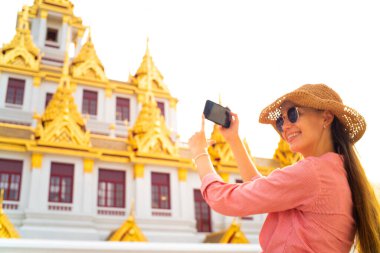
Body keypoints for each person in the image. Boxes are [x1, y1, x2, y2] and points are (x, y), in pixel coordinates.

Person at [188, 84, 380, 253]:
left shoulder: (312, 173)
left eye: (293, 114)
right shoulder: (338, 171)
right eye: (281, 121)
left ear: (326, 118)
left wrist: (200, 154)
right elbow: (260, 188)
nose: (286, 126)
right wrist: (234, 140)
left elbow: (225, 200)